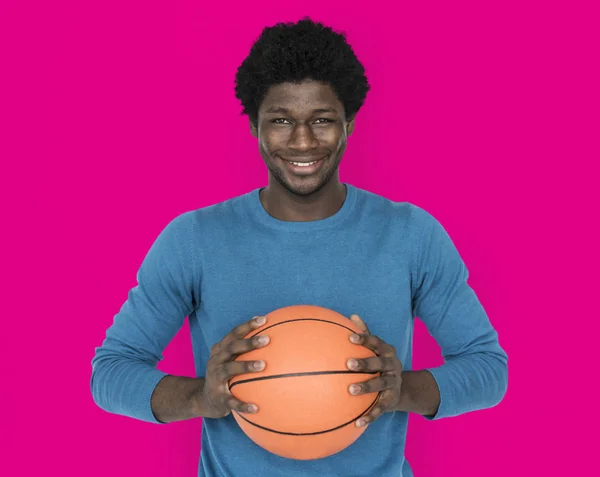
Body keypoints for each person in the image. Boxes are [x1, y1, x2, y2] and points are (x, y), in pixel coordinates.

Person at [91, 17, 508, 477]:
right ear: (253, 126)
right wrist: (200, 398)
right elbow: (110, 374)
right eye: (281, 120)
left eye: (322, 120)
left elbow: (488, 369)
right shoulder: (193, 240)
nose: (303, 141)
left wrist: (399, 389)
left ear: (348, 123)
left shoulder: (411, 234)